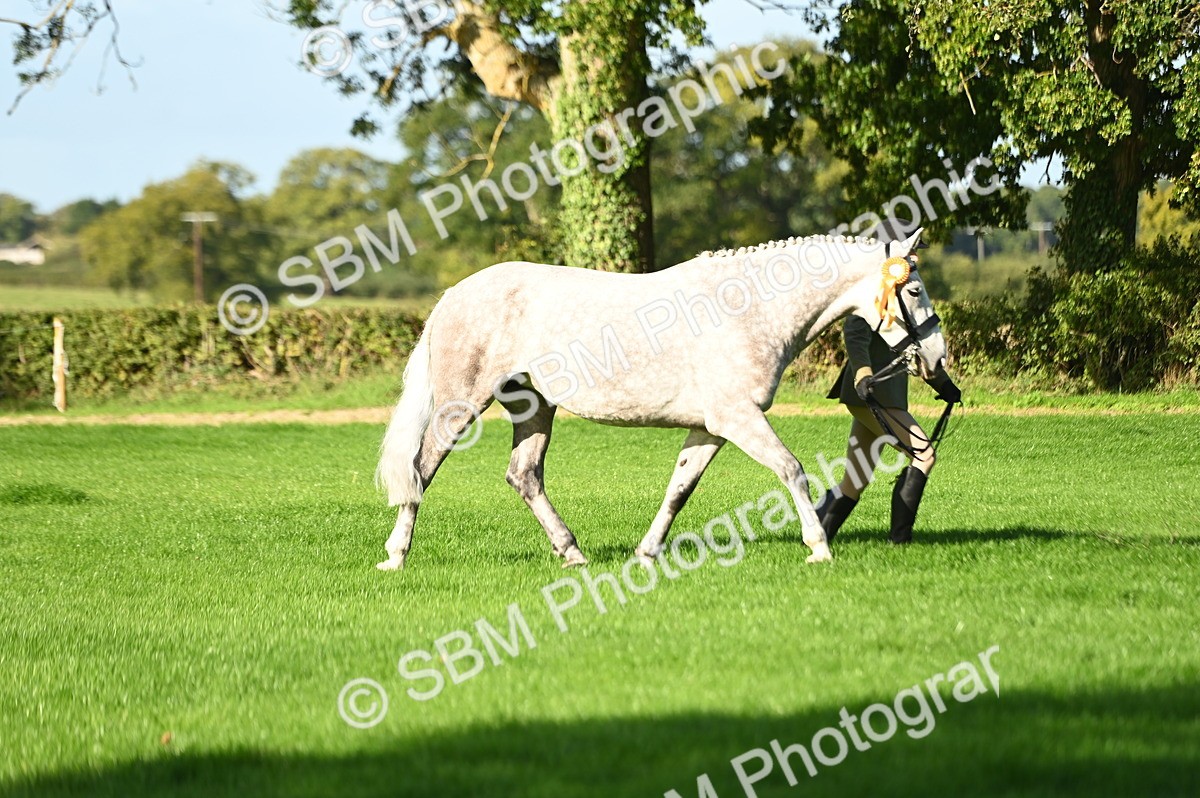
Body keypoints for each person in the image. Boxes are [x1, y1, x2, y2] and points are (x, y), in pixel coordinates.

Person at [815, 260, 962, 545]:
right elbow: (855, 337)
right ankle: (900, 541)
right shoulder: (869, 294)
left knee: (854, 481)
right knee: (924, 455)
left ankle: (816, 532)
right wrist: (863, 375)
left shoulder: (901, 300)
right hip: (870, 395)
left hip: (881, 396)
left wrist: (942, 383)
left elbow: (916, 346)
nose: (916, 258)